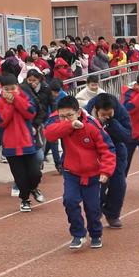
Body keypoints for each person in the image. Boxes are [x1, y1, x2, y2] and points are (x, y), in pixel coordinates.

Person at [44, 95, 116, 250]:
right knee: (69, 201)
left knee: (93, 207)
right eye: (62, 116)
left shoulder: (91, 125)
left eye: (69, 115)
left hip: (93, 174)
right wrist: (69, 125)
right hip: (72, 172)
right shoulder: (62, 123)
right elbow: (49, 134)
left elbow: (107, 149)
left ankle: (96, 234)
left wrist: (106, 171)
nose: (65, 119)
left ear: (78, 112)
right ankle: (78, 234)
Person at [0, 74, 44, 212]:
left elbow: (30, 113)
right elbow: (3, 121)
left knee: (36, 173)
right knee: (20, 177)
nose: (10, 91)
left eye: (13, 88)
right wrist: (10, 105)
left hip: (27, 142)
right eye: (7, 89)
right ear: (1, 89)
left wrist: (16, 99)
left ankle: (34, 188)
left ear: (17, 86)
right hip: (11, 146)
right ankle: (25, 199)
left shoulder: (24, 96)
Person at [86, 93, 132, 228]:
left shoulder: (120, 111)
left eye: (109, 114)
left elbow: (128, 135)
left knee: (119, 184)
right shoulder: (86, 113)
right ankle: (97, 210)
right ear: (96, 110)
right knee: (98, 185)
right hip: (95, 153)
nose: (106, 117)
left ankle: (112, 214)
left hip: (117, 150)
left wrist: (113, 123)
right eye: (103, 114)